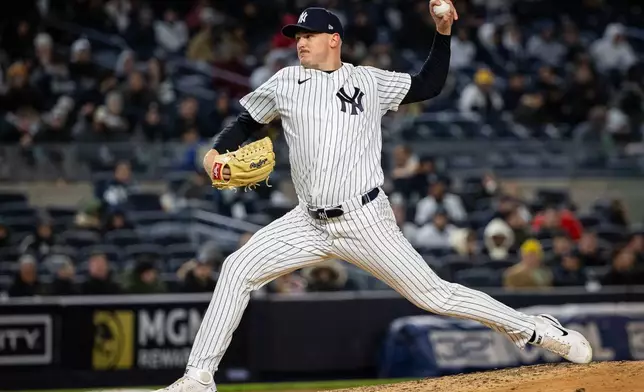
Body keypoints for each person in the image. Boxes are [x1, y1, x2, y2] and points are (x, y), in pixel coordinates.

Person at [157, 3, 592, 391]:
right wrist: (216, 151)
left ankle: (534, 329)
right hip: (307, 221)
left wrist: (442, 32)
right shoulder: (286, 81)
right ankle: (199, 378)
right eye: (297, 37)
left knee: (435, 296)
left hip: (364, 219)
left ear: (334, 40)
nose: (300, 43)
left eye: (308, 36)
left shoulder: (367, 81)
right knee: (236, 267)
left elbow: (428, 85)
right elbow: (246, 121)